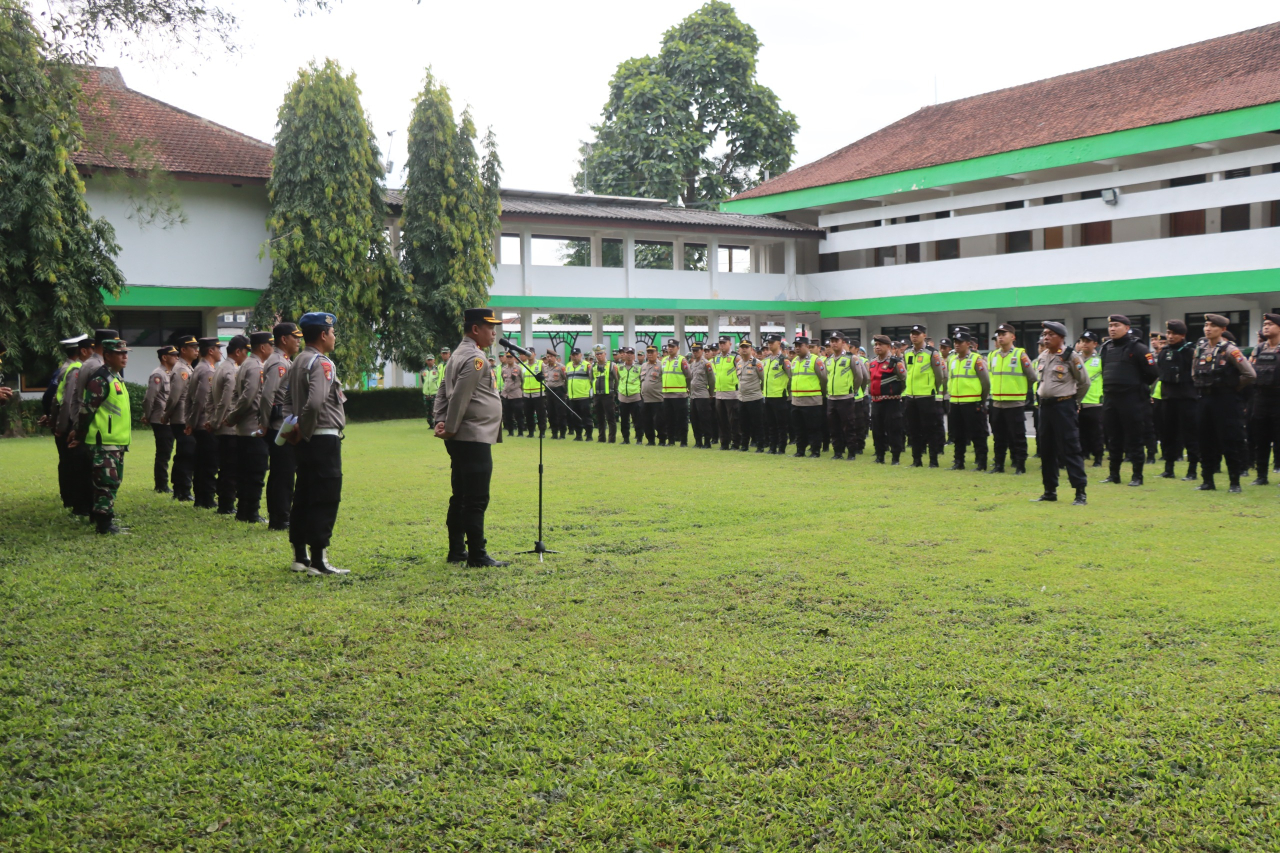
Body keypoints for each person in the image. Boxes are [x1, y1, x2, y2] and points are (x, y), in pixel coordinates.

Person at [433, 308, 508, 567]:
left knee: (461, 495)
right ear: (476, 329)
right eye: (490, 327)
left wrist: (439, 419)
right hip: (472, 436)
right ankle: (477, 554)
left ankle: (457, 551)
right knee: (476, 498)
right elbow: (461, 396)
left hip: (463, 435)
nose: (494, 332)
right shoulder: (476, 358)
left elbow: (443, 391)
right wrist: (450, 426)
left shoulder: (456, 354)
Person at [284, 312, 349, 575]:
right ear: (323, 335)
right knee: (325, 496)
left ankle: (301, 556)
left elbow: (288, 401)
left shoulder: (298, 360)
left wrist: (293, 427)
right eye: (333, 333)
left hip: (306, 439)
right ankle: (319, 561)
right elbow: (315, 402)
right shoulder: (322, 363)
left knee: (304, 495)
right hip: (321, 437)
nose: (334, 338)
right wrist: (305, 430)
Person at [69, 339, 132, 534]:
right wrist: (79, 434)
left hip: (116, 441)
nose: (124, 357)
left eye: (126, 353)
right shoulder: (101, 379)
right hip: (103, 441)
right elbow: (87, 410)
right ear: (107, 355)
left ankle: (106, 519)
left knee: (112, 482)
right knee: (106, 483)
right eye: (119, 353)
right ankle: (104, 526)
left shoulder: (115, 377)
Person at [1192, 314, 1256, 492]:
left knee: (1230, 440)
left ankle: (1234, 482)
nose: (1208, 329)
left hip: (1226, 400)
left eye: (1213, 326)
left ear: (1223, 330)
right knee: (1204, 440)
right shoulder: (1201, 349)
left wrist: (1233, 387)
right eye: (1206, 325)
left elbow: (1250, 374)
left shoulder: (1230, 350)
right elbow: (1194, 372)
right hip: (1204, 399)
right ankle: (1207, 481)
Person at [1032, 322, 1090, 505]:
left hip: (1064, 407)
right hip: (1045, 408)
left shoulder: (1070, 357)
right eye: (1044, 334)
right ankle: (1049, 490)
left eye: (1050, 334)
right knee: (1046, 449)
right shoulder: (1042, 356)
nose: (1046, 338)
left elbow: (1084, 383)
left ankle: (1080, 492)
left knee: (1070, 448)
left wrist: (1074, 402)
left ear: (1061, 337)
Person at [62, 328, 116, 516]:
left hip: (93, 426)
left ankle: (88, 507)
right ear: (108, 346)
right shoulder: (95, 366)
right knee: (93, 473)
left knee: (88, 470)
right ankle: (91, 509)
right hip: (94, 427)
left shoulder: (94, 363)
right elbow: (88, 402)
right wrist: (78, 428)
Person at [1099, 314, 1158, 486]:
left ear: (1126, 327)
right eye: (1110, 326)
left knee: (1134, 437)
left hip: (1132, 399)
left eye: (1116, 325)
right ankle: (1113, 474)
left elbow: (1153, 373)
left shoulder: (1138, 348)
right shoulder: (1106, 347)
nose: (1112, 329)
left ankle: (1137, 476)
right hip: (1111, 398)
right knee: (1113, 437)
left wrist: (1137, 386)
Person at [226, 331, 273, 523]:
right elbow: (248, 396)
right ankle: (251, 512)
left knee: (246, 472)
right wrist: (233, 416)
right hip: (253, 427)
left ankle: (243, 511)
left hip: (245, 428)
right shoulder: (255, 367)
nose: (272, 349)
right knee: (255, 472)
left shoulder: (246, 364)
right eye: (271, 345)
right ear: (263, 347)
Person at [260, 322, 302, 530]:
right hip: (279, 426)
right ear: (284, 339)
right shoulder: (280, 363)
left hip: (282, 424)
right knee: (283, 474)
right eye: (295, 337)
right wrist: (265, 423)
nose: (299, 341)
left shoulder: (284, 361)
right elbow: (268, 395)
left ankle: (281, 515)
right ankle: (280, 518)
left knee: (282, 473)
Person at [987, 323, 1036, 475]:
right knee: (998, 437)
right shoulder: (992, 356)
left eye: (1004, 334)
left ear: (1013, 337)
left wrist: (1019, 389)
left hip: (1015, 403)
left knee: (1018, 436)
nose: (1000, 337)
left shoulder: (1020, 354)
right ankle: (999, 465)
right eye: (998, 334)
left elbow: (1032, 377)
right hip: (997, 402)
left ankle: (1020, 465)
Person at [1154, 320, 1200, 481]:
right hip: (1168, 399)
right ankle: (1169, 468)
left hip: (1187, 399)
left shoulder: (1190, 352)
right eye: (1168, 333)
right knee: (1167, 435)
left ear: (1183, 335)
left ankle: (1192, 470)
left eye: (1174, 334)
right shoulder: (1164, 352)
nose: (1170, 336)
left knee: (1190, 436)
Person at [212, 335, 248, 514]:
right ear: (238, 351)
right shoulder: (232, 370)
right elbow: (226, 401)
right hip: (229, 426)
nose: (248, 356)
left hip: (223, 425)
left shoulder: (221, 368)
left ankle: (225, 503)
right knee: (231, 468)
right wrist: (218, 421)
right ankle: (226, 504)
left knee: (226, 467)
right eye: (246, 351)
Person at [902, 324, 946, 467]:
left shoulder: (932, 353)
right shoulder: (907, 352)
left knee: (930, 430)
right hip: (911, 397)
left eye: (917, 333)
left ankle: (933, 460)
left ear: (924, 336)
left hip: (926, 397)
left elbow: (939, 376)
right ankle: (917, 460)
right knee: (913, 430)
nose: (914, 336)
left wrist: (932, 389)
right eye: (912, 333)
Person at [947, 329, 990, 470]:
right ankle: (959, 462)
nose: (957, 345)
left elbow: (986, 383)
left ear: (968, 344)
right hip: (955, 403)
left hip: (972, 402)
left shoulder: (976, 360)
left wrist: (981, 401)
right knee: (957, 435)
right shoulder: (952, 359)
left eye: (960, 342)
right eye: (955, 342)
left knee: (977, 434)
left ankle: (981, 462)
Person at [163, 334, 199, 501]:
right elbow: (174, 397)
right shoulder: (182, 370)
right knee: (186, 454)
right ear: (183, 350)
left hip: (184, 417)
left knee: (185, 454)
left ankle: (181, 488)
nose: (196, 350)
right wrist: (167, 414)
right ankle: (182, 491)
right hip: (182, 418)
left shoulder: (188, 368)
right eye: (193, 347)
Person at [187, 337, 222, 509]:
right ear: (211, 351)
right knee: (208, 463)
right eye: (218, 348)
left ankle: (202, 497)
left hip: (199, 423)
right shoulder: (208, 371)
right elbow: (201, 400)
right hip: (205, 424)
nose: (220, 352)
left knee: (201, 462)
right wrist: (194, 422)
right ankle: (206, 497)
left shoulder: (199, 368)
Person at [825, 332, 868, 461]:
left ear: (843, 343)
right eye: (832, 341)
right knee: (834, 427)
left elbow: (860, 377)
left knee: (849, 426)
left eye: (836, 341)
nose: (833, 343)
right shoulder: (829, 360)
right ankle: (838, 452)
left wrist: (853, 390)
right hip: (832, 398)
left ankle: (851, 452)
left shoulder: (851, 358)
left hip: (845, 398)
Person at [1248, 313, 1280, 485]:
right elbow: (1250, 370)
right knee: (1261, 438)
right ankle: (1261, 475)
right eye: (1264, 324)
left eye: (1270, 324)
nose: (1266, 327)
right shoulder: (1259, 349)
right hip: (1261, 397)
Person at [141, 345, 178, 493]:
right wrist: (148, 416)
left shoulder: (172, 373)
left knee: (167, 452)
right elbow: (149, 398)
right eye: (173, 355)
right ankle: (161, 485)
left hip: (169, 419)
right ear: (164, 357)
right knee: (163, 453)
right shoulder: (158, 374)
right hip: (161, 420)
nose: (177, 357)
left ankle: (162, 483)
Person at [868, 335, 906, 464]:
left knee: (894, 429)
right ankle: (880, 456)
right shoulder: (872, 363)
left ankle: (895, 458)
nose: (877, 347)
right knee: (877, 430)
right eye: (876, 344)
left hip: (891, 402)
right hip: (876, 402)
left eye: (880, 344)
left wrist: (895, 392)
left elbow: (904, 379)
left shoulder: (895, 362)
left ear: (889, 347)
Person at [787, 336, 827, 458]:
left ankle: (815, 451)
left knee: (813, 428)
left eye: (800, 346)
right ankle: (800, 450)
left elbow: (824, 379)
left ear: (807, 346)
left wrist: (820, 393)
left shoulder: (816, 360)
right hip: (796, 401)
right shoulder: (794, 361)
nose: (797, 348)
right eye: (796, 346)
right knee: (799, 428)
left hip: (812, 401)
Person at [1075, 331, 1105, 467]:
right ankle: (1082, 454)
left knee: (1096, 432)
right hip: (1077, 402)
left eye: (1087, 341)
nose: (1084, 344)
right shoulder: (1074, 359)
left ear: (1095, 344)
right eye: (1082, 341)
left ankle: (1098, 456)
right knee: (1079, 431)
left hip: (1094, 402)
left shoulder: (1100, 360)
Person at [761, 334, 791, 454]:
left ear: (779, 343)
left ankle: (781, 447)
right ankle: (772, 447)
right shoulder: (767, 360)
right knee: (770, 424)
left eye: (772, 342)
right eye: (769, 342)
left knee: (781, 425)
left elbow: (790, 377)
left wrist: (786, 390)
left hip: (779, 396)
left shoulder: (783, 360)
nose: (770, 344)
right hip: (768, 396)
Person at [660, 339, 692, 447]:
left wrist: (686, 388)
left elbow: (689, 376)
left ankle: (683, 441)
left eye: (672, 346)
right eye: (669, 346)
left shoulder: (682, 360)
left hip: (679, 394)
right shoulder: (664, 360)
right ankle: (671, 440)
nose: (670, 348)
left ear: (678, 348)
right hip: (666, 394)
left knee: (681, 419)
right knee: (669, 419)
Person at [711, 337, 740, 450]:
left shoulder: (735, 357)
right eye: (720, 343)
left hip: (732, 392)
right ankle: (724, 443)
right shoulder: (716, 358)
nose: (722, 345)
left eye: (724, 343)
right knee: (721, 420)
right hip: (719, 393)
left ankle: (736, 443)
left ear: (730, 344)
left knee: (733, 420)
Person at [591, 344, 619, 443]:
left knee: (610, 417)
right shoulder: (593, 366)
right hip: (597, 395)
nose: (599, 356)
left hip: (608, 395)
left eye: (601, 354)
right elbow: (591, 379)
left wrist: (614, 392)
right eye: (597, 354)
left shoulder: (612, 365)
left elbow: (617, 380)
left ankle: (611, 439)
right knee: (600, 418)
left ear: (605, 354)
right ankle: (601, 438)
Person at [564, 348, 593, 441]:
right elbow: (566, 380)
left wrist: (590, 392)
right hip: (572, 396)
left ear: (581, 355)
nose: (575, 356)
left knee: (586, 417)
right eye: (573, 355)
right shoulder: (568, 366)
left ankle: (589, 435)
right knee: (575, 417)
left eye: (577, 354)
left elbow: (592, 379)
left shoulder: (587, 365)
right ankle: (578, 435)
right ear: (570, 356)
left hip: (584, 396)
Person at [616, 347, 643, 444]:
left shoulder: (638, 368)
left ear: (634, 355)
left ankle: (639, 439)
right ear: (624, 354)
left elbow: (642, 381)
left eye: (631, 353)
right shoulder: (620, 367)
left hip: (635, 397)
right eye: (627, 353)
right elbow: (617, 379)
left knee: (637, 420)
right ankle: (625, 439)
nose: (629, 355)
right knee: (624, 420)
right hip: (623, 397)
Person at [639, 345, 665, 446]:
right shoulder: (644, 366)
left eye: (652, 352)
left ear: (657, 353)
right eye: (648, 352)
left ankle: (662, 440)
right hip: (645, 399)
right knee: (646, 421)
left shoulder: (661, 365)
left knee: (659, 421)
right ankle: (650, 440)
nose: (649, 354)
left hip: (658, 398)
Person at [519, 349, 547, 438]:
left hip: (538, 393)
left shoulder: (540, 364)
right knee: (528, 414)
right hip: (527, 393)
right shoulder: (522, 365)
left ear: (535, 354)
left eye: (531, 353)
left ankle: (542, 432)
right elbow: (521, 379)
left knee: (541, 414)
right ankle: (531, 431)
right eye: (527, 353)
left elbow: (546, 376)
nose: (529, 355)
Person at [542, 350, 568, 439]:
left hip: (559, 391)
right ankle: (554, 433)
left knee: (561, 413)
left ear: (555, 357)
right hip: (549, 391)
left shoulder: (561, 367)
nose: (549, 358)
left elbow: (566, 379)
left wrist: (566, 391)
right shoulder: (545, 368)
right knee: (551, 413)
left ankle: (562, 433)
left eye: (550, 356)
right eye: (547, 357)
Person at [499, 352, 525, 437]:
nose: (509, 358)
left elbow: (522, 380)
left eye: (510, 357)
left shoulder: (518, 368)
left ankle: (520, 432)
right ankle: (510, 432)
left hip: (516, 395)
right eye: (507, 357)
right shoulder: (504, 369)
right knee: (507, 415)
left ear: (514, 358)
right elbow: (504, 380)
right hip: (506, 395)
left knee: (518, 414)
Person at [420, 355, 441, 425]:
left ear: (434, 360)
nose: (430, 361)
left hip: (435, 393)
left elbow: (439, 380)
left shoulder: (437, 369)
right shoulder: (423, 370)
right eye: (428, 360)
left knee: (435, 410)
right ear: (426, 361)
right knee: (428, 410)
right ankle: (430, 424)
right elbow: (423, 381)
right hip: (426, 394)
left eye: (431, 360)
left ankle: (436, 424)